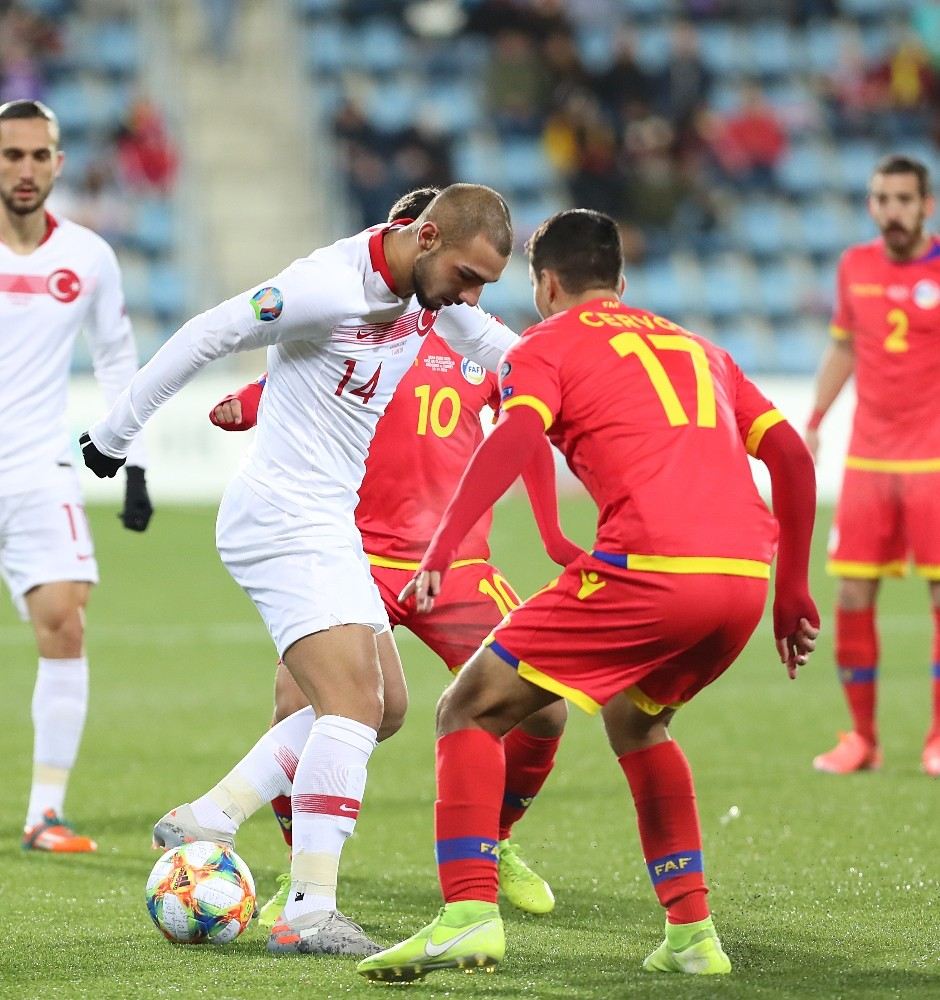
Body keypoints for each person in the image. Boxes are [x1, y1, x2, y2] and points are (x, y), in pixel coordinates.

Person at [356, 208, 820, 983]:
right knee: (638, 722)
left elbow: (513, 436)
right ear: (621, 281)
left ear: (546, 285)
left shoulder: (546, 344)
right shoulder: (701, 348)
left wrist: (444, 542)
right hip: (741, 580)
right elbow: (792, 458)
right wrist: (793, 589)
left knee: (466, 708)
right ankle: (692, 935)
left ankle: (467, 914)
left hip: (651, 570)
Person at [80, 183, 520, 956]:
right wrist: (115, 433)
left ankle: (211, 815)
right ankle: (310, 910)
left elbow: (502, 351)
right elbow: (208, 333)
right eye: (467, 275)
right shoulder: (325, 287)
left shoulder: (431, 288)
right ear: (422, 238)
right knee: (350, 706)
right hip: (280, 516)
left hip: (326, 521)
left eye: (484, 282)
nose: (471, 294)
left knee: (385, 712)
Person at [209, 188, 576, 929]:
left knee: (545, 707)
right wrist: (244, 403)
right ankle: (301, 874)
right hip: (353, 556)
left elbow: (527, 429)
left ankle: (496, 843)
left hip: (455, 563)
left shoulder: (477, 338)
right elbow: (285, 384)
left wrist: (551, 530)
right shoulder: (360, 322)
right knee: (301, 709)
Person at [0, 99, 152, 852]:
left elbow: (118, 360)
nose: (24, 169)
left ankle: (45, 813)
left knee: (65, 619)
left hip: (36, 466)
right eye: (9, 155)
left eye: (37, 156)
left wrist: (133, 465)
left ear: (58, 164)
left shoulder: (89, 256)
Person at [807, 155, 940, 777]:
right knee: (853, 591)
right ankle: (862, 739)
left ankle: (938, 739)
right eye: (881, 199)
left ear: (926, 206)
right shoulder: (853, 266)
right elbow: (843, 347)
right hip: (867, 458)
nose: (891, 211)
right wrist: (814, 419)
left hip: (933, 461)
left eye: (903, 200)